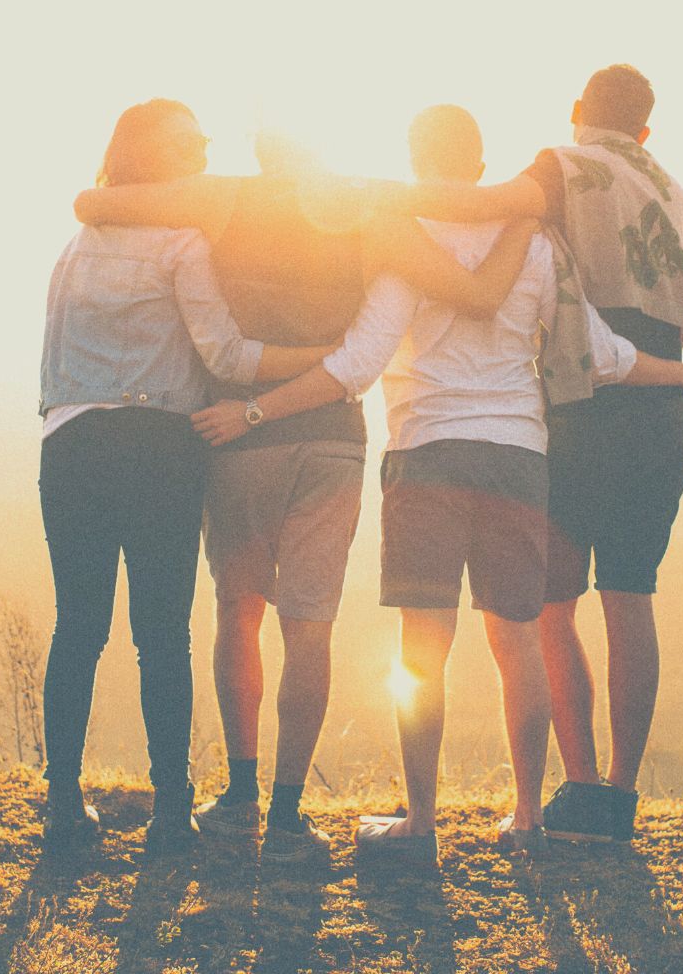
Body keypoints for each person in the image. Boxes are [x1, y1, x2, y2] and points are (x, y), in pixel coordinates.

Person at [192, 105, 683, 864]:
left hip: (427, 455)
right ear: (480, 169)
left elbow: (357, 365)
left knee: (422, 652)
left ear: (414, 162)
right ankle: (529, 817)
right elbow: (601, 354)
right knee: (518, 644)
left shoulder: (406, 241)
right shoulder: (536, 244)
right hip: (518, 459)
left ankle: (421, 824)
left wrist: (255, 410)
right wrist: (682, 373)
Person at [74, 121, 536, 863]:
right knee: (310, 625)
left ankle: (239, 796)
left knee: (239, 609)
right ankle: (289, 816)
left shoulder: (221, 201)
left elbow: (94, 204)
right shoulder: (369, 215)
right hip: (331, 440)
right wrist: (523, 211)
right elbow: (473, 292)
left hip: (240, 436)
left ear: (261, 148)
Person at [387, 66, 683, 843]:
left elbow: (479, 206)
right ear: (646, 129)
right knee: (632, 598)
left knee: (552, 608)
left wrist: (368, 202)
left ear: (577, 114)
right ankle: (619, 800)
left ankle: (578, 787)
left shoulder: (562, 167)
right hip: (661, 412)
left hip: (582, 410)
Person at [38, 99, 339, 852]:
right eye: (192, 144)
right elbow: (229, 359)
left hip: (69, 442)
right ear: (162, 160)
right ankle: (172, 811)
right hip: (159, 448)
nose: (205, 152)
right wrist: (325, 360)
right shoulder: (181, 243)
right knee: (161, 635)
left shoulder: (76, 246)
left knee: (77, 628)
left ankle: (64, 807)